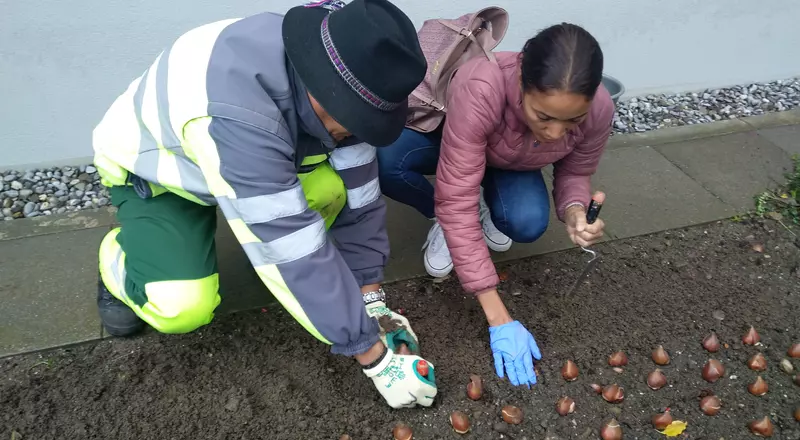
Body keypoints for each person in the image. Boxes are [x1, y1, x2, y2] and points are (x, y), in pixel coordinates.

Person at [91, 0, 437, 409]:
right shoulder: (237, 111)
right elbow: (288, 243)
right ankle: (123, 259)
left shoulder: (348, 74)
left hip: (249, 158)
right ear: (328, 95)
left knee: (331, 192)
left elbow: (361, 201)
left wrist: (372, 301)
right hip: (162, 171)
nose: (358, 132)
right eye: (356, 123)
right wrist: (374, 358)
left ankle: (315, 290)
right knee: (183, 306)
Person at [377, 23, 614, 387]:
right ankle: (450, 219)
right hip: (456, 143)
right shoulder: (481, 85)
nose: (555, 133)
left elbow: (576, 173)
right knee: (390, 162)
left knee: (528, 223)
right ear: (520, 80)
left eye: (573, 121)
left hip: (511, 162)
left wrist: (575, 210)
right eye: (544, 117)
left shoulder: (599, 109)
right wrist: (499, 318)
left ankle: (477, 210)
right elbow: (455, 198)